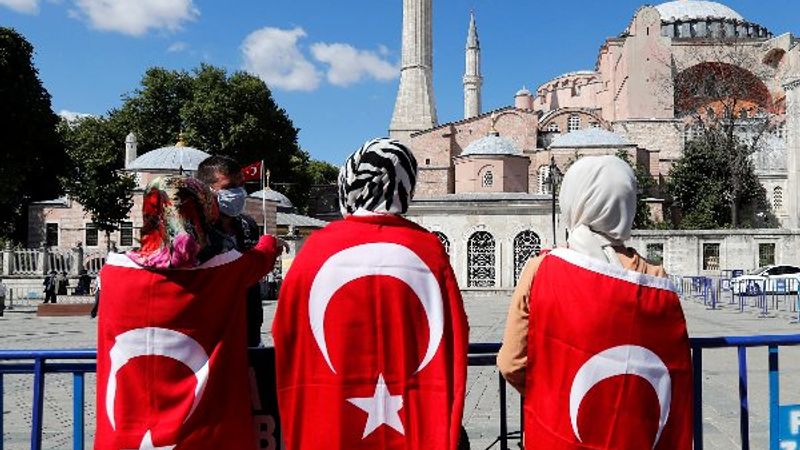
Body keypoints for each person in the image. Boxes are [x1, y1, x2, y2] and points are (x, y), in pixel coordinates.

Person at [273, 138, 469, 450]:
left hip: (331, 414)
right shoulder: (428, 249)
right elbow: (454, 333)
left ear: (348, 183)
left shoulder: (316, 249)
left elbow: (286, 331)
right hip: (410, 417)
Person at [497, 155, 692, 449]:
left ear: (576, 199)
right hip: (635, 434)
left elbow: (512, 362)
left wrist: (555, 391)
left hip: (563, 429)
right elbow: (669, 368)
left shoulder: (542, 270)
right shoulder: (655, 278)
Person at [93, 175, 280, 449]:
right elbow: (262, 256)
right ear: (205, 214)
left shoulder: (113, 273)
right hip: (206, 437)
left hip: (123, 438)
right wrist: (268, 242)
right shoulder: (226, 271)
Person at [197, 155, 266, 347]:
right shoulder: (197, 230)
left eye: (240, 185)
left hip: (249, 329)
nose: (238, 192)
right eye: (228, 187)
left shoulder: (247, 224)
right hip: (212, 334)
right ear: (207, 189)